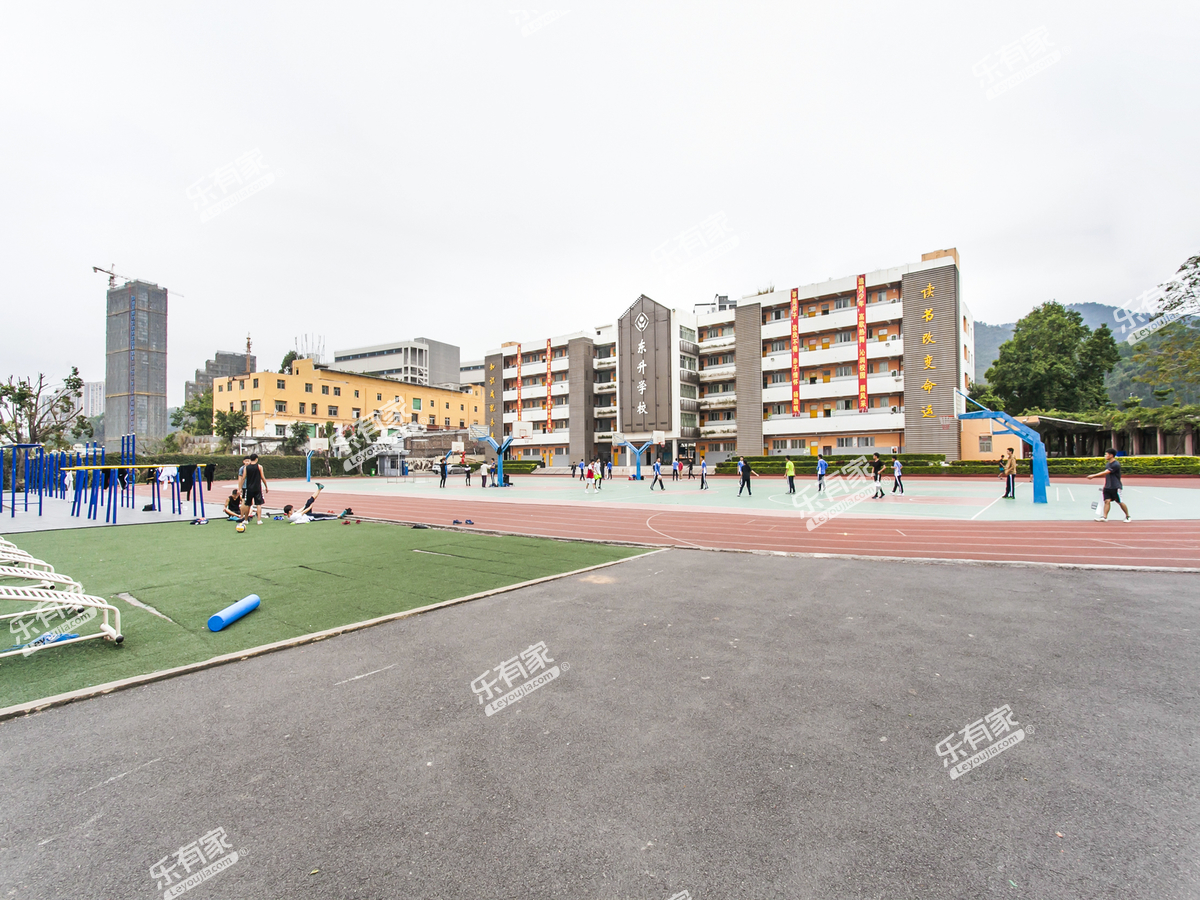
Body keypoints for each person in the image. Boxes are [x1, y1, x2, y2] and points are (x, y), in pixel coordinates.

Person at [1088, 448, 1131, 522]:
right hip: (1108, 486)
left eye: (1106, 454)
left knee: (1120, 502)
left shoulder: (1116, 464)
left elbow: (1106, 472)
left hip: (1116, 486)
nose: (1105, 456)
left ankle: (1128, 516)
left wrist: (1093, 476)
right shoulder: (1108, 464)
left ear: (1111, 455)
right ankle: (1104, 517)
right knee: (1107, 501)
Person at [238, 453, 268, 525]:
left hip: (249, 488)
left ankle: (245, 520)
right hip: (257, 488)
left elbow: (243, 478)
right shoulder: (259, 467)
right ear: (256, 459)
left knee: (247, 504)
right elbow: (262, 477)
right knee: (258, 504)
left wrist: (240, 487)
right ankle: (259, 520)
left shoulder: (246, 468)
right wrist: (266, 486)